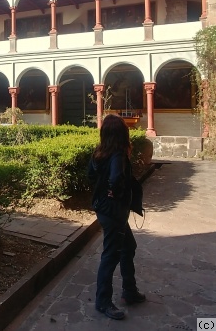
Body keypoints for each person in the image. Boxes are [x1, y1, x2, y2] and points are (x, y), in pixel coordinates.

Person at [88, 114, 146, 320]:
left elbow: (91, 175)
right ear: (122, 133)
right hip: (113, 211)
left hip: (103, 207)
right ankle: (103, 301)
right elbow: (116, 178)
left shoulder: (99, 152)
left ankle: (129, 291)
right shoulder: (118, 155)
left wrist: (107, 189)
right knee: (111, 255)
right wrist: (115, 190)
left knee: (128, 247)